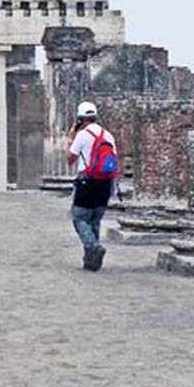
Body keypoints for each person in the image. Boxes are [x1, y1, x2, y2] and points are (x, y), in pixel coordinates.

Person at [67, 101, 117, 272]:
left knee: (79, 218)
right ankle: (91, 262)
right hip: (105, 183)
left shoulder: (82, 135)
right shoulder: (108, 135)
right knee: (95, 220)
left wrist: (71, 138)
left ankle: (93, 247)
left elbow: (70, 159)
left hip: (87, 182)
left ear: (81, 119)